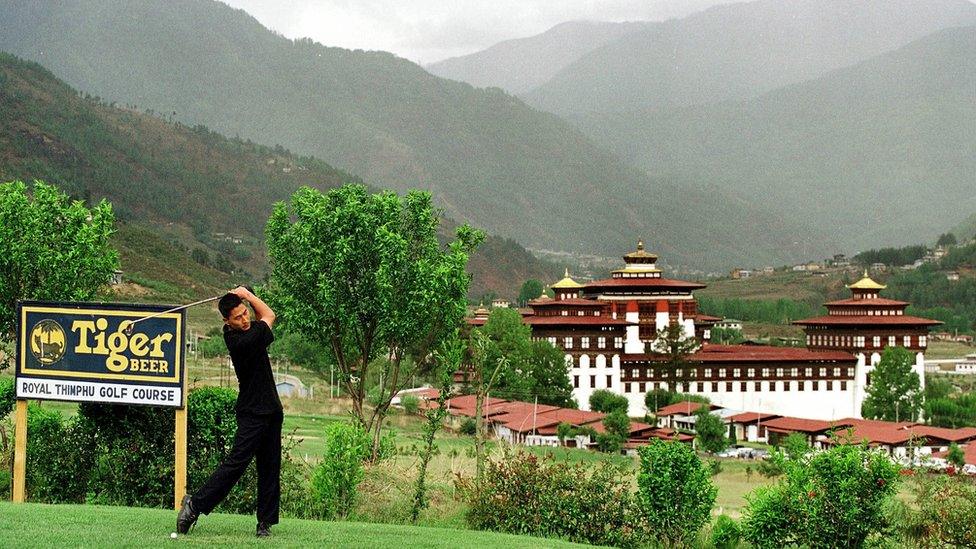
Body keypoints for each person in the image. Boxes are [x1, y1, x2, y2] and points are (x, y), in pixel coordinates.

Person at [177, 286, 282, 538]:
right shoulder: (241, 340)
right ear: (226, 321)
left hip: (271, 409)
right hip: (252, 412)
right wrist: (247, 295)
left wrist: (243, 299)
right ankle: (195, 504)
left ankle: (264, 523)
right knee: (236, 464)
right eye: (238, 317)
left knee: (270, 467)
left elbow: (262, 317)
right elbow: (269, 314)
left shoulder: (248, 330)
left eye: (245, 314)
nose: (245, 320)